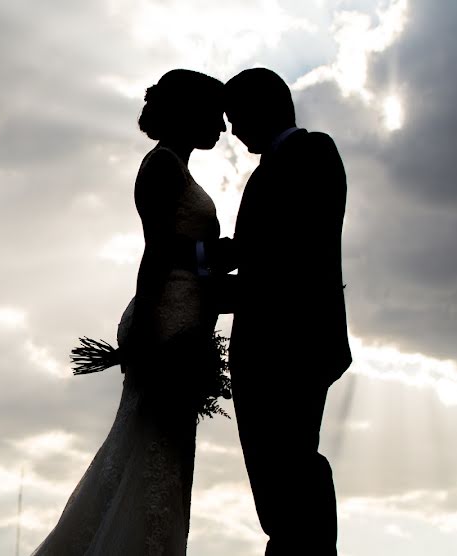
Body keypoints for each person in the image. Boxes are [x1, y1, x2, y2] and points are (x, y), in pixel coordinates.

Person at [31, 69, 226, 556]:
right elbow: (158, 252)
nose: (222, 127)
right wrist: (148, 333)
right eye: (214, 113)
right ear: (188, 113)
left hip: (179, 318)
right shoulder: (162, 166)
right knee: (157, 454)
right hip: (166, 321)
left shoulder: (175, 167)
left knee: (164, 452)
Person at [201, 68, 352, 555]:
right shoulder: (278, 167)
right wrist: (198, 264)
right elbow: (257, 251)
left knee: (290, 474)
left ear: (261, 108)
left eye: (235, 117)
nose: (232, 131)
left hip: (289, 348)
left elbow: (287, 262)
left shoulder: (312, 154)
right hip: (274, 348)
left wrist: (203, 291)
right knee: (281, 481)